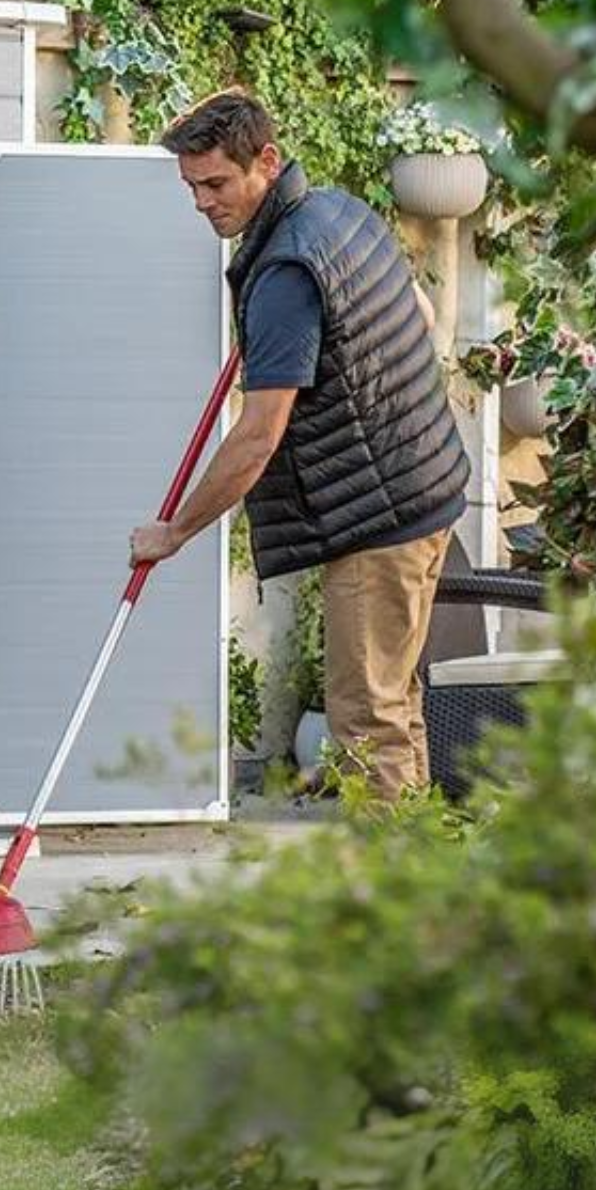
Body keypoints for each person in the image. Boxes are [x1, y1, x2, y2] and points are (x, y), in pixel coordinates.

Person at [128, 89, 470, 799]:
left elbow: (256, 439)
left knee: (364, 721)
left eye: (216, 183)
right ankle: (420, 876)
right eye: (191, 187)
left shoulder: (285, 272)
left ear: (267, 162)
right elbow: (423, 310)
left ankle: (380, 899)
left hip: (377, 524)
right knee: (394, 701)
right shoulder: (338, 213)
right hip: (426, 489)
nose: (202, 203)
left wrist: (175, 532)